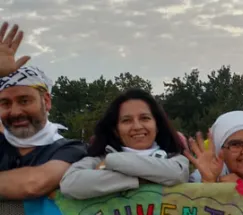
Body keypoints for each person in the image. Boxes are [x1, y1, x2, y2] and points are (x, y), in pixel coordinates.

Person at [0, 24, 86, 199]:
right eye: (5, 103)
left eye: (24, 100)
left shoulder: (71, 149)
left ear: (46, 101)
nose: (15, 112)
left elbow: (34, 184)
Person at [60, 89, 189, 199]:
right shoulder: (97, 160)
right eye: (126, 120)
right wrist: (139, 179)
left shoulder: (175, 158)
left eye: (145, 118)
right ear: (116, 130)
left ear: (157, 125)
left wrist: (112, 161)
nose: (137, 126)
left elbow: (177, 174)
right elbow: (69, 184)